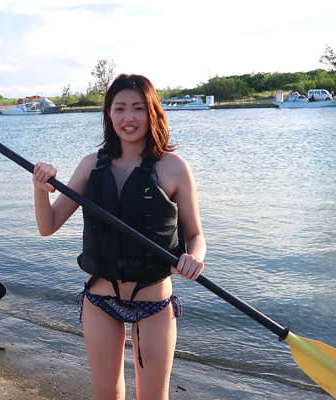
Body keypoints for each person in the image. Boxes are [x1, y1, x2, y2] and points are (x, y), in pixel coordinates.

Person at [32, 74, 206, 400]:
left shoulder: (174, 169)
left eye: (138, 108)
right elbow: (49, 225)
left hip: (153, 301)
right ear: (108, 114)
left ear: (152, 112)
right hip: (100, 298)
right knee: (107, 394)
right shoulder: (90, 166)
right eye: (120, 108)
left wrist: (195, 257)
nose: (129, 117)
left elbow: (196, 235)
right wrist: (41, 190)